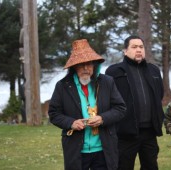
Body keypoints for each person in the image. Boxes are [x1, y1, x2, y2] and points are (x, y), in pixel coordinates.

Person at [48, 39, 126, 170]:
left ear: (94, 65)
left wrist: (102, 118)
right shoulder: (62, 86)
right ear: (74, 66)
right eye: (81, 64)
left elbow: (120, 108)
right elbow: (54, 114)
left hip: (104, 148)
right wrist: (71, 123)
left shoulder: (107, 82)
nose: (85, 68)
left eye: (89, 64)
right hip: (76, 149)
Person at [105, 35, 164, 170]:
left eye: (141, 47)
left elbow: (159, 95)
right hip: (125, 132)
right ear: (125, 51)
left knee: (151, 166)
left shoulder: (153, 70)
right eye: (134, 47)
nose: (138, 50)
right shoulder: (114, 71)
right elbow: (108, 100)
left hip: (149, 131)